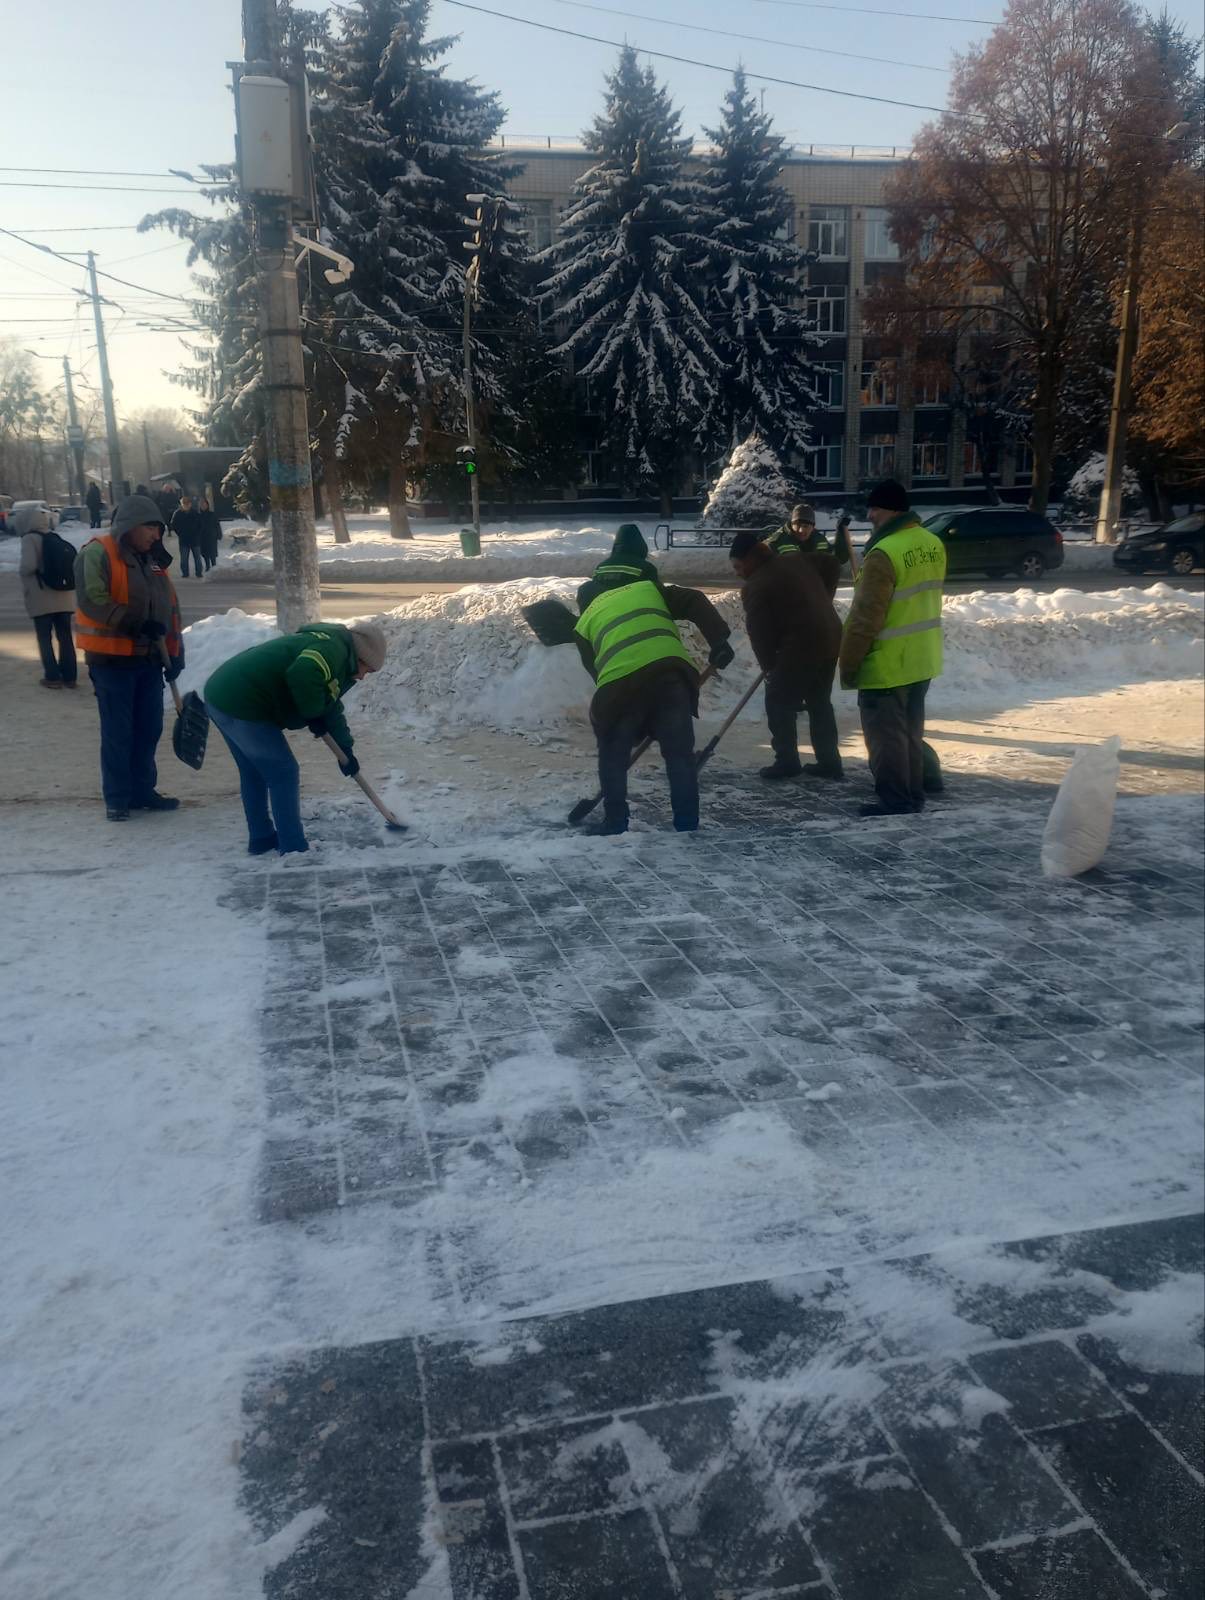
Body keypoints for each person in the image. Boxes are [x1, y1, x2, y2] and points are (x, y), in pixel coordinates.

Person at [573, 525, 733, 836]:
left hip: (621, 682)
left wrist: (618, 716)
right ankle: (687, 824)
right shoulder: (649, 589)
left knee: (612, 752)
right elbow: (695, 600)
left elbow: (595, 668)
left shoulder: (586, 614)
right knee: (679, 754)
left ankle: (614, 821)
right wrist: (719, 641)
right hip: (670, 675)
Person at [203, 622, 388, 856]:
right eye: (366, 670)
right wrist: (312, 712)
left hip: (222, 695)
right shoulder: (332, 651)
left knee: (254, 771)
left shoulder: (337, 655)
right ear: (360, 656)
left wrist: (346, 751)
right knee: (284, 772)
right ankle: (293, 847)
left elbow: (329, 705)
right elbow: (303, 671)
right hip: (242, 703)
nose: (362, 677)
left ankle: (261, 838)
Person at [839, 479, 946, 817]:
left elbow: (866, 617)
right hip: (922, 658)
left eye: (875, 508)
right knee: (910, 734)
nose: (870, 515)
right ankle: (912, 794)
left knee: (886, 738)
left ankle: (896, 800)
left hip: (887, 663)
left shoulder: (884, 553)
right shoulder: (932, 543)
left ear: (892, 510)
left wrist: (849, 662)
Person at [74, 494, 183, 821]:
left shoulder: (153, 561)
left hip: (149, 660)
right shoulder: (97, 552)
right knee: (118, 732)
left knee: (148, 729)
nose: (156, 535)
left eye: (158, 528)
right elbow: (93, 599)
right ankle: (118, 798)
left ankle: (142, 791)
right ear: (130, 525)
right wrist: (134, 624)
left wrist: (175, 652)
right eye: (150, 527)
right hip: (112, 662)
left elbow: (170, 609)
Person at [729, 530, 844, 781]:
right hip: (830, 637)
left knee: (778, 700)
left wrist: (770, 668)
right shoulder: (796, 559)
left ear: (749, 560)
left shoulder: (756, 586)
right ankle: (830, 762)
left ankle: (787, 761)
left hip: (802, 644)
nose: (737, 573)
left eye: (737, 566)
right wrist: (824, 598)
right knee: (819, 701)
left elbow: (760, 634)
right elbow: (832, 563)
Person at [18, 502, 78, 689]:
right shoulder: (55, 538)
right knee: (65, 637)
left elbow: (28, 566)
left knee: (45, 638)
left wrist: (22, 572)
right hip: (64, 597)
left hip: (42, 597)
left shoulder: (29, 539)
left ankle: (52, 677)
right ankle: (70, 676)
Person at [767, 502, 832, 559]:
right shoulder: (776, 542)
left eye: (806, 526)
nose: (801, 530)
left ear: (813, 527)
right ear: (792, 524)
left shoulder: (821, 540)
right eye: (798, 525)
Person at [171, 495, 204, 578]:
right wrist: (180, 533)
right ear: (181, 504)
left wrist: (197, 534)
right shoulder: (177, 513)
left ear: (190, 504)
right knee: (184, 558)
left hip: (194, 539)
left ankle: (199, 572)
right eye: (184, 503)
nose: (186, 505)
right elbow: (173, 525)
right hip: (184, 539)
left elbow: (200, 525)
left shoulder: (195, 513)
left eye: (187, 503)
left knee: (197, 557)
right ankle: (185, 573)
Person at [197, 497, 222, 572]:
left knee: (212, 552)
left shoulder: (212, 514)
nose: (203, 506)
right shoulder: (198, 516)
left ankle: (214, 565)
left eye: (205, 504)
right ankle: (207, 566)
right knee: (205, 553)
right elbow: (196, 527)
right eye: (202, 505)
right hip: (202, 537)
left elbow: (217, 525)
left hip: (212, 536)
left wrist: (219, 534)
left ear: (207, 505)